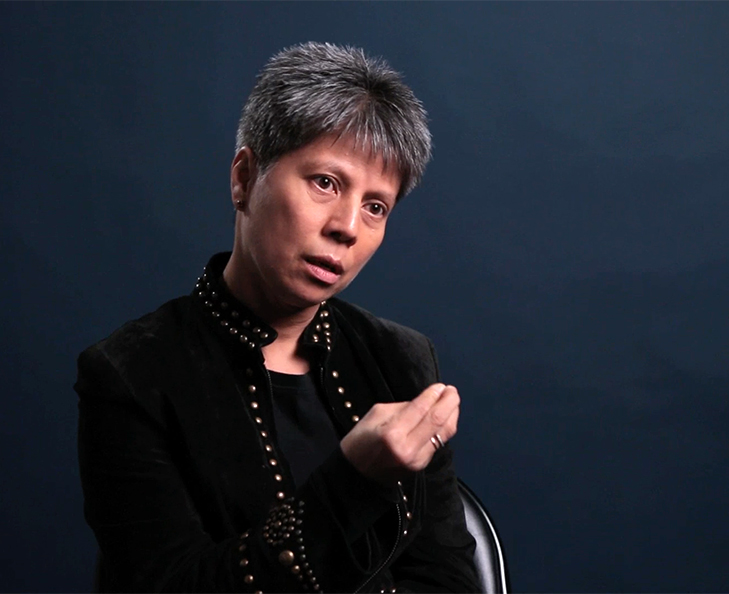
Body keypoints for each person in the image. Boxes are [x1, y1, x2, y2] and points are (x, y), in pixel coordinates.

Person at [75, 42, 482, 593]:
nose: (347, 227)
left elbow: (447, 579)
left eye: (376, 206)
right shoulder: (131, 373)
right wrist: (352, 480)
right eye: (325, 182)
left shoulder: (403, 359)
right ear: (244, 177)